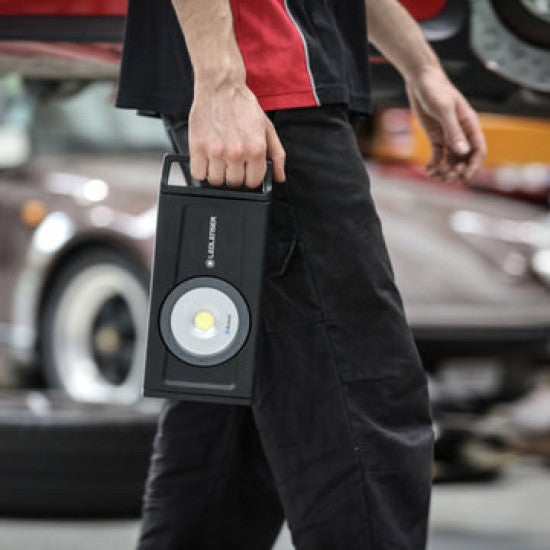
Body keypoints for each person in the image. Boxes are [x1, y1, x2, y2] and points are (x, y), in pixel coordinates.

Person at [116, 1, 487, 548]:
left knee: (232, 421)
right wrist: (221, 81)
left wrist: (421, 66)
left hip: (269, 92)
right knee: (359, 400)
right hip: (267, 96)